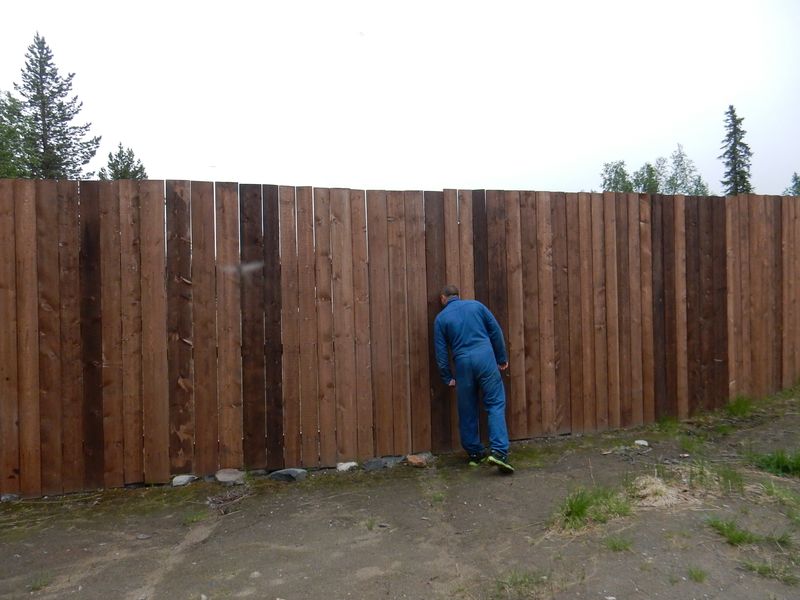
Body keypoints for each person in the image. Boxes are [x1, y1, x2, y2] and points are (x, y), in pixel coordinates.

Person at [433, 285, 514, 474]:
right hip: (485, 358)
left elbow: (441, 352)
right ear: (458, 296)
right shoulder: (477, 306)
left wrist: (447, 376)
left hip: (463, 364)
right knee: (495, 403)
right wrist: (501, 358)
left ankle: (475, 453)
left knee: (467, 408)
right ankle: (499, 452)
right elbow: (495, 331)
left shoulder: (441, 319)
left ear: (443, 298)